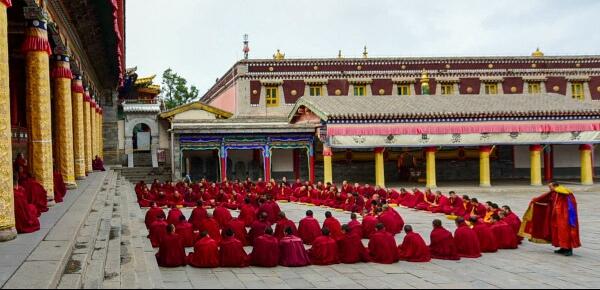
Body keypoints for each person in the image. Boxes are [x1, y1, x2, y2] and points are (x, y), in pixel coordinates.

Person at [520, 182, 580, 256]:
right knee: (557, 232)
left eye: (550, 186)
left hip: (565, 217)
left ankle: (569, 249)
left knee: (565, 233)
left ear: (555, 186)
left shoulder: (564, 193)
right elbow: (546, 198)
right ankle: (563, 248)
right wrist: (536, 200)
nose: (549, 188)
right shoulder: (554, 193)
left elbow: (571, 205)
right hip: (557, 217)